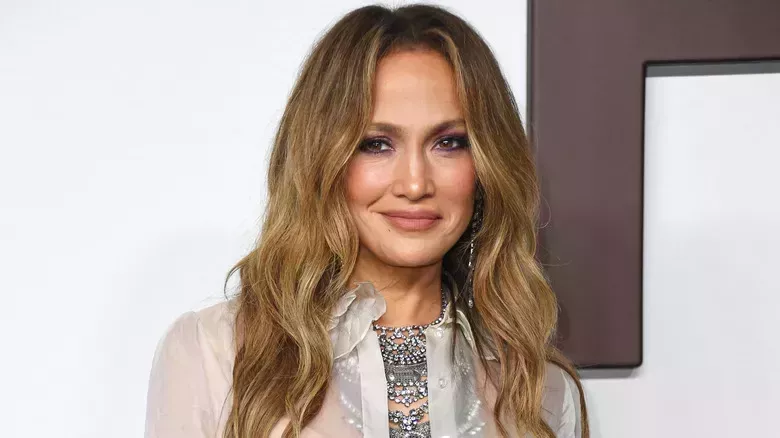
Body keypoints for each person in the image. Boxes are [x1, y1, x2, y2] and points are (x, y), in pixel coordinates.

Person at [143, 3, 589, 438]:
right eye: (376, 144)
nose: (415, 183)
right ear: (323, 159)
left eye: (449, 143)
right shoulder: (215, 354)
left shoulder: (539, 389)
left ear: (487, 165)